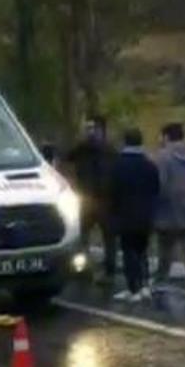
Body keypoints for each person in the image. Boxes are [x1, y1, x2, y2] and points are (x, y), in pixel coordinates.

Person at [109, 129, 160, 302]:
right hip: (146, 215)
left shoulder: (117, 165)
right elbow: (156, 189)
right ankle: (145, 285)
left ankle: (133, 288)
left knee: (129, 251)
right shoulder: (149, 165)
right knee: (143, 249)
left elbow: (111, 192)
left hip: (125, 215)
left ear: (125, 142)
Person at [66, 116, 117, 281]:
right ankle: (83, 268)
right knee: (84, 236)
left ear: (101, 130)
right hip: (88, 199)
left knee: (107, 237)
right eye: (88, 129)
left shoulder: (109, 151)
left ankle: (109, 269)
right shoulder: (83, 148)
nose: (90, 132)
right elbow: (67, 157)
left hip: (103, 200)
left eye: (93, 128)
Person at [154, 122, 185, 297]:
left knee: (165, 247)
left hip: (169, 209)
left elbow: (160, 184)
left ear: (166, 137)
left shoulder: (162, 157)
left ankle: (161, 280)